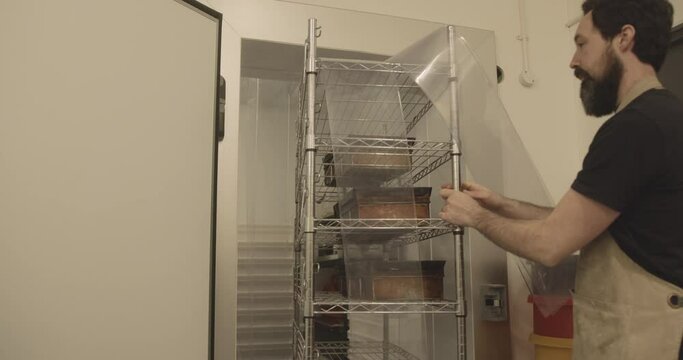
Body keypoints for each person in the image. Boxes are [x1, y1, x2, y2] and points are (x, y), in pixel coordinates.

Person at [438, 0, 683, 359]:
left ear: (624, 38)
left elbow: (550, 245)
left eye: (582, 44)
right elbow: (579, 225)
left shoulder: (635, 127)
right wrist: (500, 204)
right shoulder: (664, 117)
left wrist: (475, 217)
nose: (573, 60)